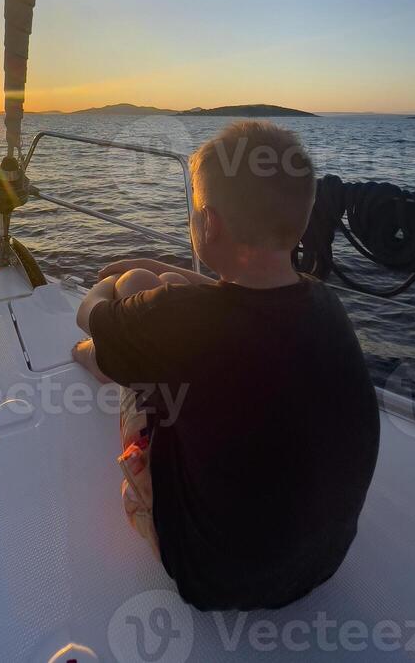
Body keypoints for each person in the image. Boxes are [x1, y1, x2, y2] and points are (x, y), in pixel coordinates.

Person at [73, 121, 380, 611]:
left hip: (211, 575)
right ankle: (122, 347)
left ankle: (103, 361)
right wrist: (160, 288)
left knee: (133, 294)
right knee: (157, 311)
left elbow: (86, 313)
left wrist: (119, 282)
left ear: (209, 224)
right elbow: (236, 308)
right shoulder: (326, 303)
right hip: (323, 562)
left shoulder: (186, 319)